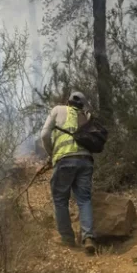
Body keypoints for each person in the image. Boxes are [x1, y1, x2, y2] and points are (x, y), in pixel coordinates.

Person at [40, 91, 96, 255]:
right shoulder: (87, 117)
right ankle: (88, 237)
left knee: (60, 199)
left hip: (64, 160)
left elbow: (44, 134)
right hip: (85, 161)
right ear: (82, 105)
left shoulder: (58, 110)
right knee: (84, 200)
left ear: (68, 102)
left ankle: (67, 238)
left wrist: (52, 154)